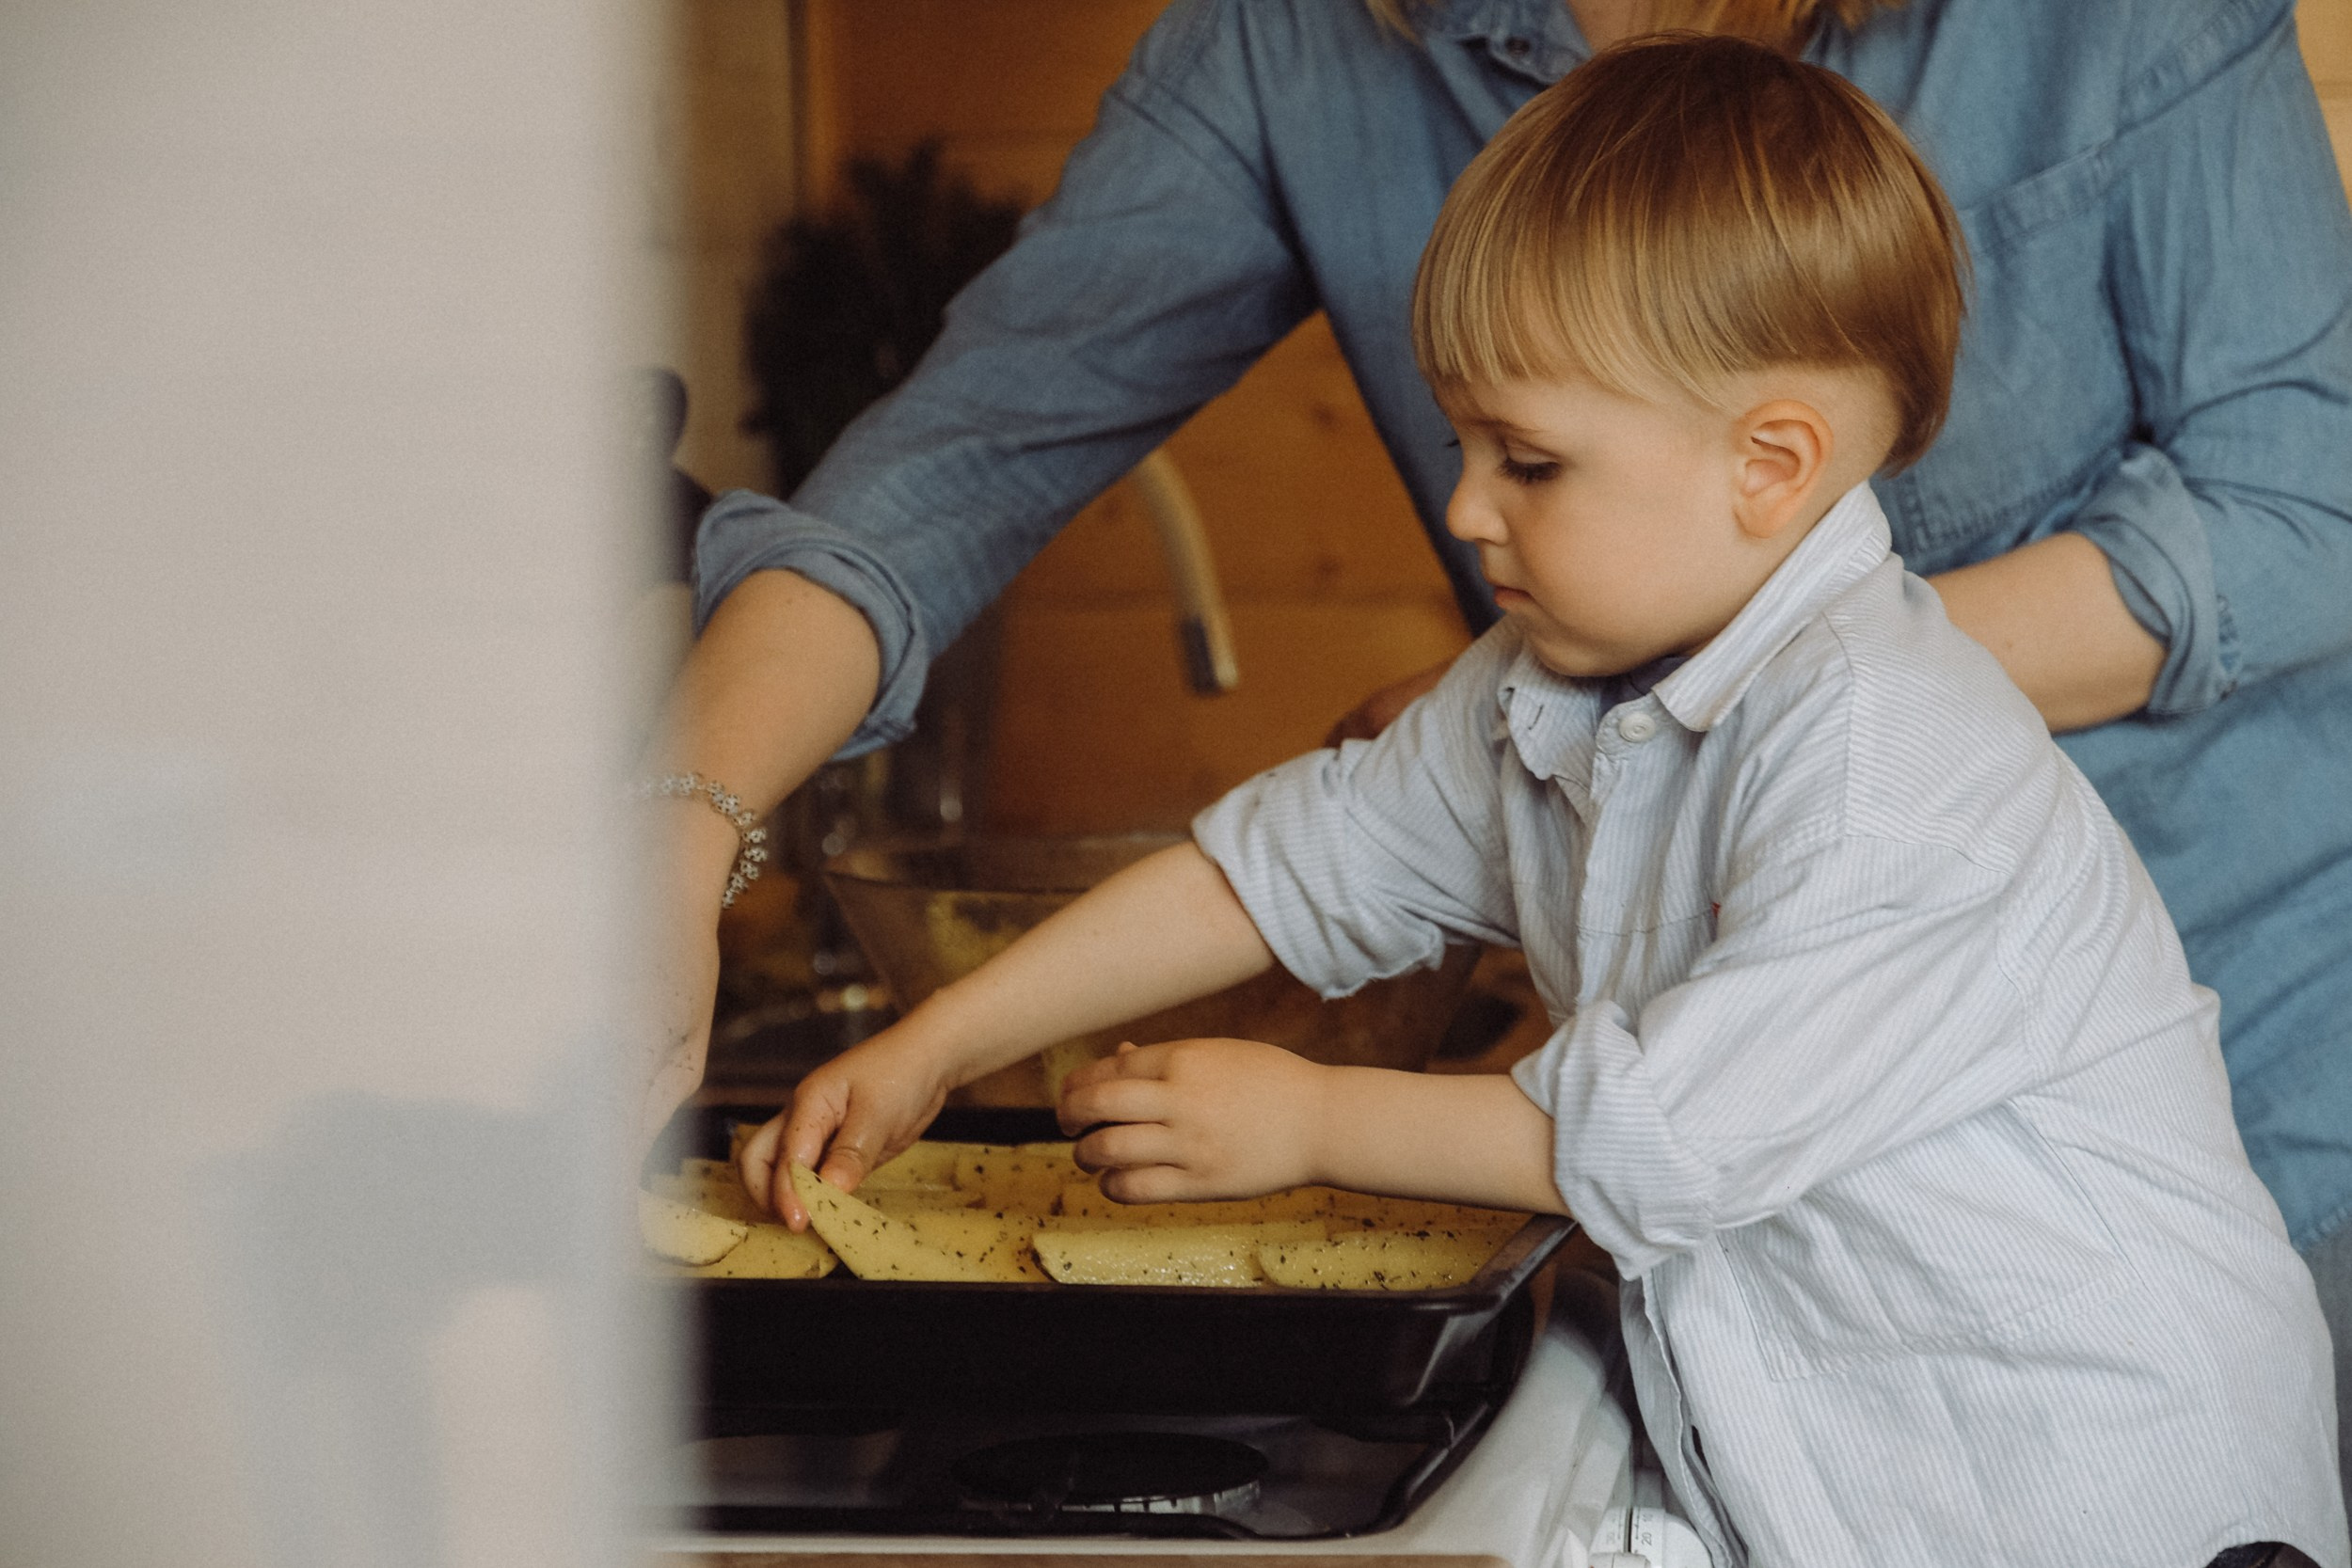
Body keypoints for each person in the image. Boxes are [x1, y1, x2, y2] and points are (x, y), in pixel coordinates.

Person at [637, 0, 2352, 1499]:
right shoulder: (1557, 671)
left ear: (1771, 465)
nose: (1459, 511)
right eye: (1460, 440)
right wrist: (947, 1039)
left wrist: (1311, 1114)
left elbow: (1651, 1141)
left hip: (2113, 1482)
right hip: (1867, 1443)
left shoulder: (1894, 759)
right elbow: (1286, 863)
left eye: (1525, 463)